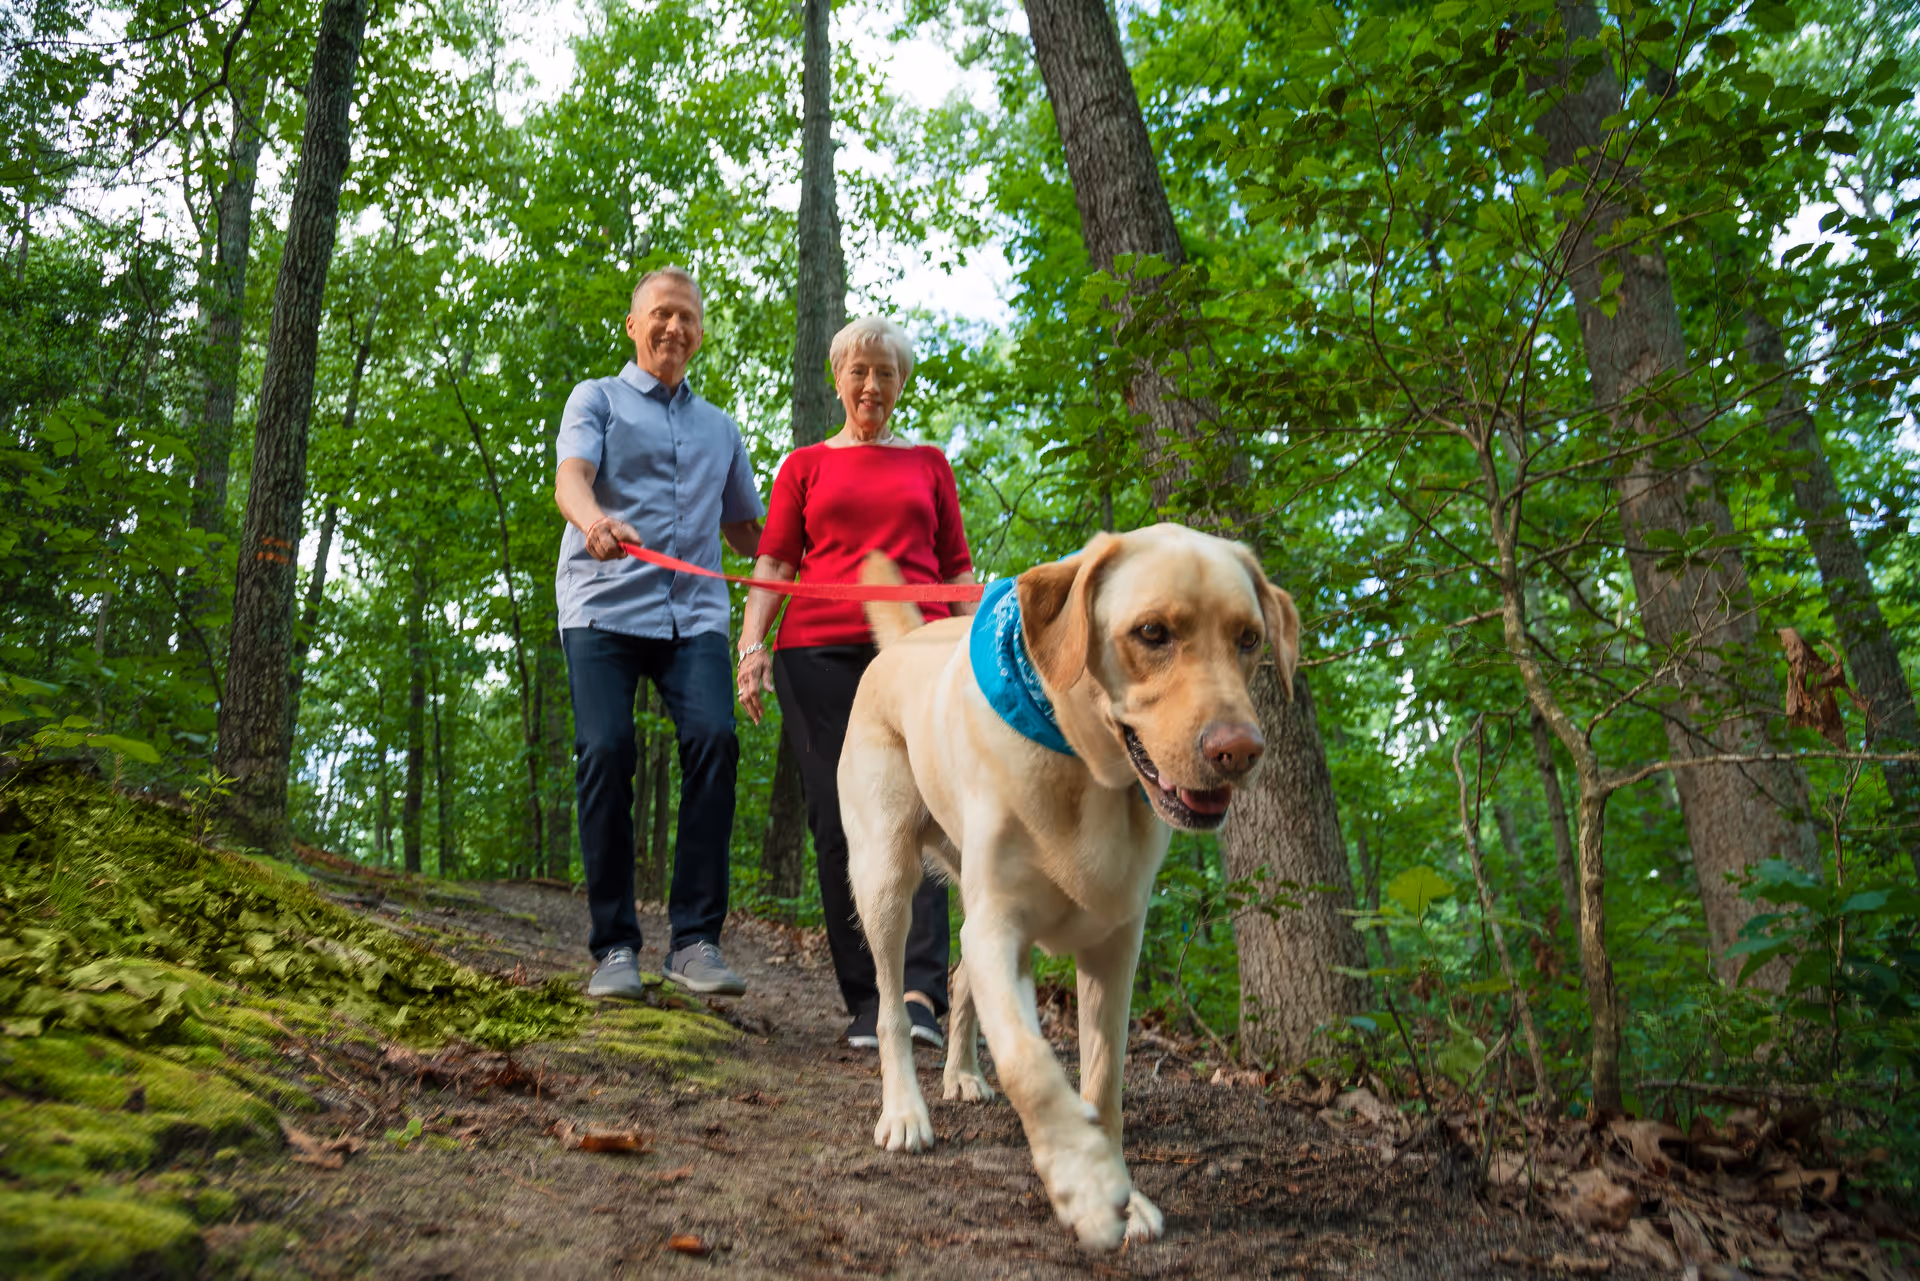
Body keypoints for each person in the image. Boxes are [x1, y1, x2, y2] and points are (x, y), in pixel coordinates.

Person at [735, 316, 976, 1049]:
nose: (872, 384)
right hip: (818, 656)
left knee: (931, 816)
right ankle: (870, 997)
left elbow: (958, 568)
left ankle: (921, 996)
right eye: (859, 371)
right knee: (842, 820)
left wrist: (975, 647)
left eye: (887, 372)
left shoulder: (931, 463)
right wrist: (751, 646)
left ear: (902, 383)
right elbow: (774, 563)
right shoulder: (803, 466)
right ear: (837, 377)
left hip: (921, 654)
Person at [553, 266, 764, 999]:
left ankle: (695, 941)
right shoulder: (598, 400)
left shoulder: (719, 428)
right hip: (604, 603)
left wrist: (815, 536)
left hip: (693, 614)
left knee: (714, 738)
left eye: (689, 318)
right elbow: (570, 479)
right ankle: (614, 948)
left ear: (700, 333)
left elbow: (747, 531)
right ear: (634, 325)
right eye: (662, 315)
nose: (675, 328)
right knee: (606, 748)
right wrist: (594, 521)